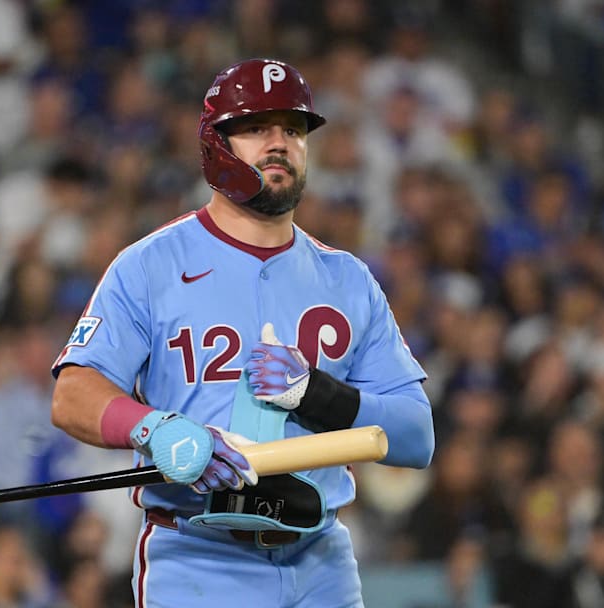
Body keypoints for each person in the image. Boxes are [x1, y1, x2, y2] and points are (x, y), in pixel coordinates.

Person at [50, 58, 435, 607]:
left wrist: (316, 394)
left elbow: (416, 436)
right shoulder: (151, 265)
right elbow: (72, 394)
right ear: (216, 143)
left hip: (321, 558)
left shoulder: (348, 279)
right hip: (197, 558)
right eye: (257, 127)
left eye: (293, 129)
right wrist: (155, 428)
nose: (279, 143)